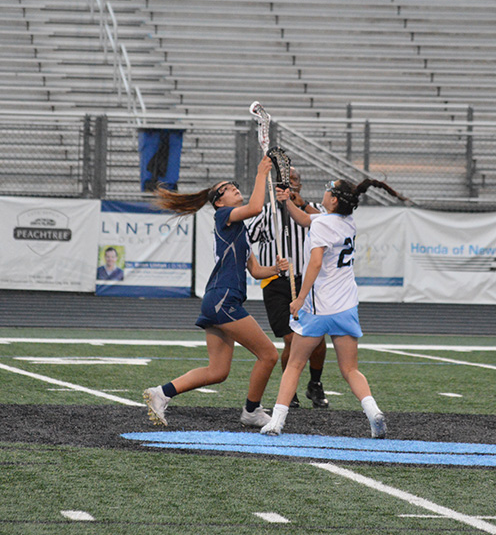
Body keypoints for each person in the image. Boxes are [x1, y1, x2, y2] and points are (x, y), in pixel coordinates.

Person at [143, 156, 288, 428]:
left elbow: (256, 271)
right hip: (224, 299)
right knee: (268, 354)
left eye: (234, 185)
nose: (234, 187)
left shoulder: (239, 229)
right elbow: (257, 206)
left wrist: (277, 269)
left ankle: (160, 393)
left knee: (217, 371)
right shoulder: (224, 216)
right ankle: (251, 410)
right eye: (228, 187)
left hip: (218, 299)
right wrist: (261, 173)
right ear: (219, 201)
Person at [261, 178, 407, 439]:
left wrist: (300, 298)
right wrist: (289, 203)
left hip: (318, 307)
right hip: (346, 306)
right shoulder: (346, 221)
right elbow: (307, 220)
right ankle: (373, 412)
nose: (325, 192)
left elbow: (315, 263)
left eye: (328, 189)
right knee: (350, 369)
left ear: (335, 199)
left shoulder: (323, 224)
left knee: (294, 364)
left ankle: (276, 422)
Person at [247, 167, 329, 409]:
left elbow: (328, 225)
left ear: (299, 186)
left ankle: (315, 383)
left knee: (317, 339)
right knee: (292, 338)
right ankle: (288, 388)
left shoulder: (314, 209)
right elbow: (247, 236)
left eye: (292, 180)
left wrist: (301, 205)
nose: (288, 184)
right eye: (282, 181)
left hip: (308, 282)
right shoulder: (265, 212)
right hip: (277, 282)